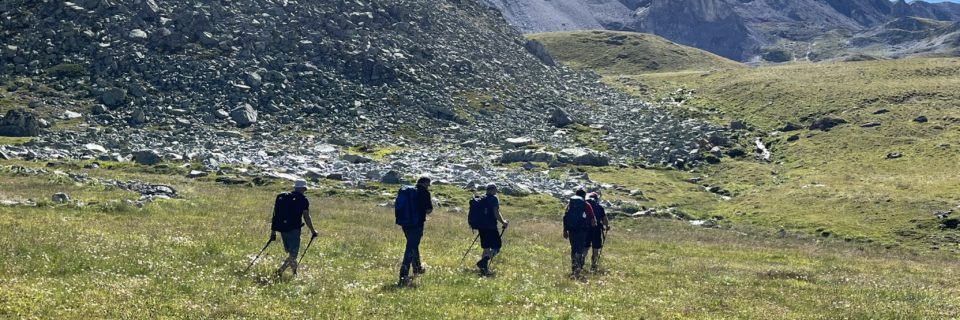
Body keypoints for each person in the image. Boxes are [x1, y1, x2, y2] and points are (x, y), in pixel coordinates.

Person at [271, 180, 318, 277]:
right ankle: (280, 271)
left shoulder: (282, 197)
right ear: (302, 188)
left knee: (291, 252)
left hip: (282, 229)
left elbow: (275, 215)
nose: (305, 190)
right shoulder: (303, 200)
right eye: (304, 189)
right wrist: (313, 231)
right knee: (293, 254)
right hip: (294, 229)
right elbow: (306, 216)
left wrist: (273, 231)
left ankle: (294, 273)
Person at [398, 177, 433, 286]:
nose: (429, 186)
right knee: (411, 247)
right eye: (429, 184)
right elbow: (428, 210)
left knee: (413, 244)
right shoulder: (424, 193)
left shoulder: (408, 191)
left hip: (405, 223)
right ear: (426, 183)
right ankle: (403, 273)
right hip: (417, 224)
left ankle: (417, 267)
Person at [476, 183, 509, 275]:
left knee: (486, 247)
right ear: (494, 190)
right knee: (497, 246)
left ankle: (483, 270)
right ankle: (483, 262)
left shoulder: (482, 199)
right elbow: (496, 212)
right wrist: (503, 222)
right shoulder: (494, 198)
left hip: (481, 227)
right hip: (491, 227)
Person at [563, 189, 596, 279]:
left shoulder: (570, 204)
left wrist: (565, 230)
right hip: (582, 230)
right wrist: (592, 226)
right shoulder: (586, 204)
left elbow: (565, 217)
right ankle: (578, 266)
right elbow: (593, 219)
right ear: (584, 196)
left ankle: (574, 267)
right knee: (580, 248)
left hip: (571, 230)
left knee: (574, 248)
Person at [585, 192, 610, 272]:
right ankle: (594, 265)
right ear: (596, 198)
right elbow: (604, 219)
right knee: (596, 248)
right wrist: (607, 226)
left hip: (586, 229)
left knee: (585, 247)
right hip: (596, 229)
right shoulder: (599, 207)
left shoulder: (585, 205)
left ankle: (580, 263)